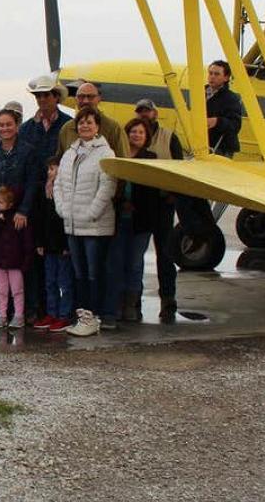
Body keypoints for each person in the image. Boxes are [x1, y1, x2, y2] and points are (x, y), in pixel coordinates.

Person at [54, 107, 117, 337]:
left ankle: (94, 315)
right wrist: (62, 208)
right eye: (81, 122)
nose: (84, 126)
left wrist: (91, 212)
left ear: (97, 126)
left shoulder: (105, 153)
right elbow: (59, 183)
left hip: (94, 225)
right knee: (79, 272)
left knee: (94, 272)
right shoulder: (70, 153)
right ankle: (83, 316)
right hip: (71, 224)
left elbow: (108, 186)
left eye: (89, 122)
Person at [0, 108, 40, 322]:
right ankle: (4, 310)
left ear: (17, 126)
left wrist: (23, 210)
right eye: (1, 125)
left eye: (9, 124)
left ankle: (25, 310)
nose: (5, 128)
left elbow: (33, 183)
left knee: (21, 264)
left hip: (19, 217)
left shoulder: (27, 151)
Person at [108, 118, 161, 325]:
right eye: (133, 131)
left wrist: (135, 204)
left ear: (146, 137)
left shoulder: (151, 158)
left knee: (135, 263)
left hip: (141, 220)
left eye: (141, 132)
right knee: (116, 262)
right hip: (119, 218)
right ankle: (118, 303)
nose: (136, 135)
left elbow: (152, 192)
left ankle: (131, 304)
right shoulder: (118, 156)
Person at [134, 98, 183, 322]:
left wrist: (174, 195)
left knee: (165, 254)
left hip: (164, 204)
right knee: (136, 257)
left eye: (147, 111)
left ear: (156, 113)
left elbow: (181, 168)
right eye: (140, 111)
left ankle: (168, 299)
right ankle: (134, 300)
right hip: (140, 205)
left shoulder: (169, 136)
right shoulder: (132, 136)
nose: (144, 114)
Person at [32, 158, 74, 333]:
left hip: (62, 244)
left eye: (55, 169)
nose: (51, 172)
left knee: (64, 281)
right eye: (49, 169)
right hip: (48, 244)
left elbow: (67, 219)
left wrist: (67, 244)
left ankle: (64, 315)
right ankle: (51, 312)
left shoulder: (67, 191)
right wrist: (40, 242)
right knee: (50, 281)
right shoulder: (44, 192)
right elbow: (40, 219)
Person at [0, 186, 35, 329]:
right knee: (1, 290)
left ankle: (19, 315)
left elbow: (27, 241)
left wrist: (26, 261)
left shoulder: (18, 219)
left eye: (1, 202)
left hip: (15, 263)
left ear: (10, 204)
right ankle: (2, 315)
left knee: (17, 290)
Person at [56, 82, 130, 158]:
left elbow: (123, 162)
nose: (85, 101)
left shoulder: (114, 128)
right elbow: (60, 159)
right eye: (81, 97)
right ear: (76, 99)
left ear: (99, 99)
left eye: (90, 97)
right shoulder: (67, 129)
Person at [206, 60, 242, 157]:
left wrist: (217, 121)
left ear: (226, 78)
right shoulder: (200, 93)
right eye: (210, 73)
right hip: (202, 144)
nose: (212, 76)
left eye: (217, 74)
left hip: (220, 147)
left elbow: (236, 124)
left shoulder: (231, 98)